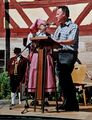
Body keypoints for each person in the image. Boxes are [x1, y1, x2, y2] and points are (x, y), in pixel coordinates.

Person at [51, 6, 79, 111]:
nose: (56, 16)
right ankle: (68, 103)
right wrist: (47, 39)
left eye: (58, 14)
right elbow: (54, 40)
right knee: (63, 80)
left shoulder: (73, 26)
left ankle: (73, 104)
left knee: (65, 78)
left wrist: (58, 42)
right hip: (59, 54)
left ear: (64, 14)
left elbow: (72, 40)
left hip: (68, 54)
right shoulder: (59, 27)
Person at [26, 19, 55, 106]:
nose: (45, 26)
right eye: (43, 25)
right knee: (35, 76)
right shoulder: (32, 34)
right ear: (38, 26)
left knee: (46, 76)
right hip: (36, 56)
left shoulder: (49, 35)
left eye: (46, 25)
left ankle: (45, 100)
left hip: (46, 57)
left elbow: (53, 45)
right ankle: (35, 98)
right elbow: (28, 46)